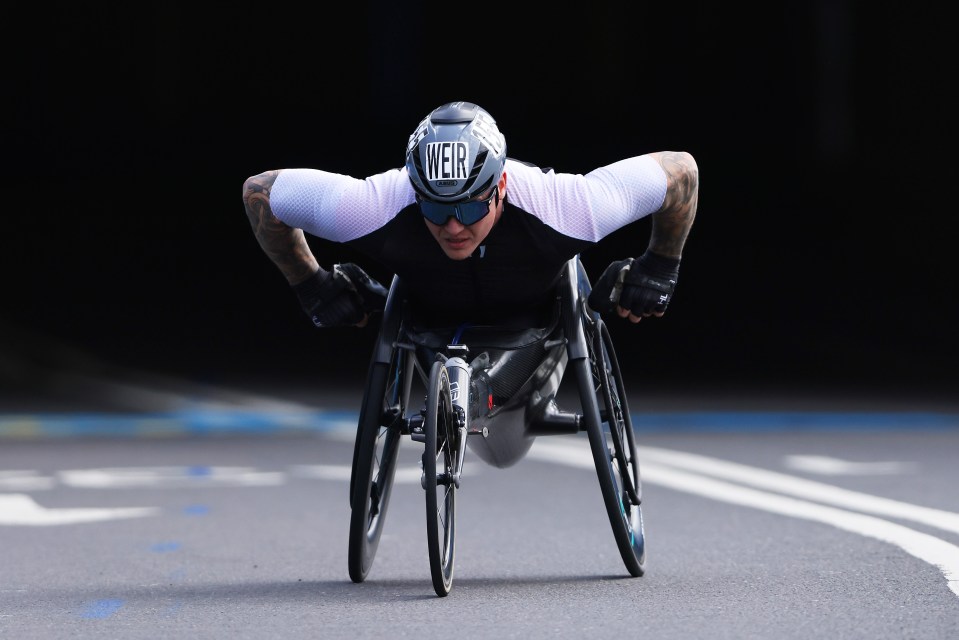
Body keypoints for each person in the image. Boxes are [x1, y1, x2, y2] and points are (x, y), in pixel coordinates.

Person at [242, 100, 698, 338]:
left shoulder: (568, 205)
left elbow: (681, 172)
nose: (453, 226)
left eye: (470, 206)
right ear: (414, 191)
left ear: (500, 188)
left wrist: (660, 265)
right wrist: (312, 284)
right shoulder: (374, 204)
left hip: (541, 311)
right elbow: (259, 191)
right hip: (428, 309)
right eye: (436, 208)